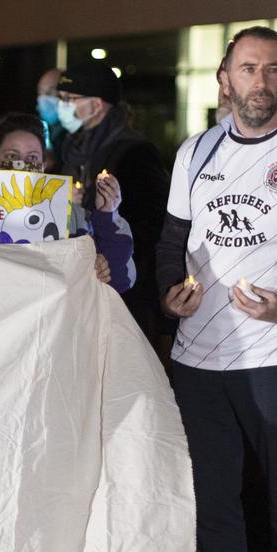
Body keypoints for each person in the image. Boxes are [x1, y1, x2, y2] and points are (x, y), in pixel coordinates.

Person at [154, 26, 277, 552]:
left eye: (273, 69)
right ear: (225, 77)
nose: (262, 81)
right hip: (199, 357)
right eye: (249, 68)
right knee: (212, 499)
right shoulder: (196, 151)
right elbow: (172, 240)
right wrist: (169, 296)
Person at [55, 60, 169, 344]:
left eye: (71, 99)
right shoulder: (73, 149)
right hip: (80, 281)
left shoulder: (134, 151)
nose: (63, 106)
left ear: (97, 105)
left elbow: (152, 222)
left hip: (124, 287)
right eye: (61, 99)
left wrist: (114, 255)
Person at [0, 112, 134, 291]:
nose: (21, 165)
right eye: (11, 157)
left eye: (32, 158)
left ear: (42, 166)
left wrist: (105, 216)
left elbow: (121, 280)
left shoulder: (74, 218)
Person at [36, 67, 65, 168]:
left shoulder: (78, 131)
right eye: (40, 92)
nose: (43, 98)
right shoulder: (37, 128)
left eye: (49, 92)